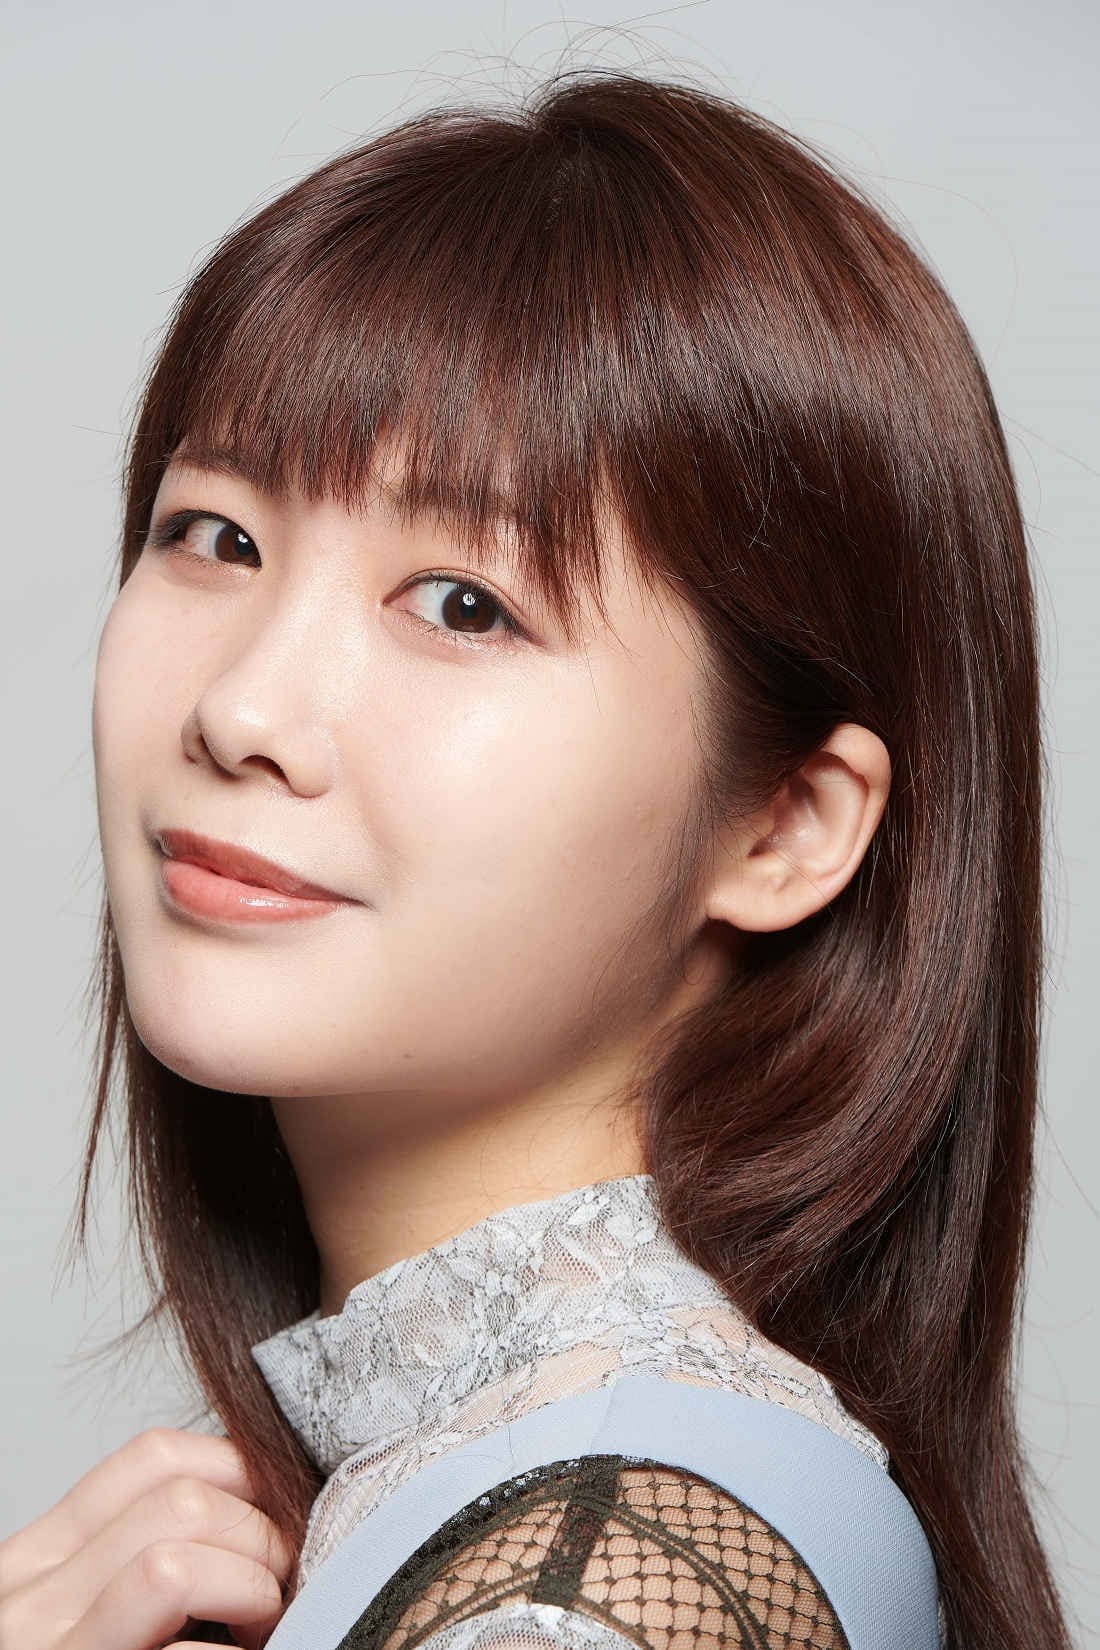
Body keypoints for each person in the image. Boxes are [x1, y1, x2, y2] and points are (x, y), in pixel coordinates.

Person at [0, 65, 1074, 1650]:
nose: (242, 710)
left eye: (463, 604)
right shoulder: (526, 1482)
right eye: (217, 534)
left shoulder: (586, 1587)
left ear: (784, 824)